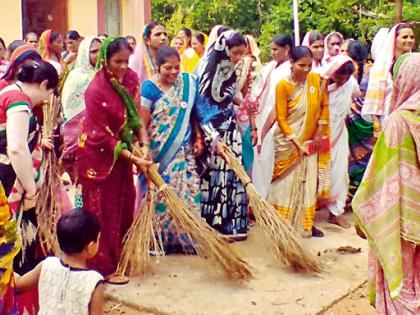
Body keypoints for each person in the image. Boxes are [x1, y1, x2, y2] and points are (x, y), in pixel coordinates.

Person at [76, 37, 150, 280]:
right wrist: (134, 158)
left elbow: (136, 114)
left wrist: (144, 144)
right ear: (105, 61)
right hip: (97, 158)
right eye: (117, 61)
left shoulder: (130, 78)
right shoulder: (95, 90)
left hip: (122, 154)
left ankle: (121, 257)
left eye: (126, 61)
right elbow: (102, 135)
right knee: (102, 211)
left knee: (124, 202)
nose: (122, 66)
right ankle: (102, 267)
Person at [352, 53, 420, 315]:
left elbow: (379, 176)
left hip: (400, 218)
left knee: (401, 279)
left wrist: (363, 215)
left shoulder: (397, 123)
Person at [140, 46, 203, 253]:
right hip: (160, 154)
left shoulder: (187, 84)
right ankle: (160, 240)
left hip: (183, 152)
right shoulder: (149, 88)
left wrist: (198, 136)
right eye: (168, 68)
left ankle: (186, 239)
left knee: (187, 191)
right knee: (160, 196)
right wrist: (145, 147)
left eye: (177, 67)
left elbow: (193, 114)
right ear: (158, 67)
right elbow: (142, 122)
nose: (174, 72)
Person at [266, 46, 330, 238]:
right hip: (287, 143)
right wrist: (295, 141)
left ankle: (305, 223)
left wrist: (320, 131)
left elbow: (324, 105)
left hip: (310, 141)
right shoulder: (283, 86)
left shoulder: (317, 81)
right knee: (284, 182)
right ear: (291, 63)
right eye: (301, 65)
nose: (306, 69)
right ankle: (281, 223)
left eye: (309, 65)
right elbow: (281, 117)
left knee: (308, 181)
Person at [196, 31, 248, 241]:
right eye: (235, 53)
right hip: (214, 133)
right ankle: (215, 223)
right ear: (225, 49)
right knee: (216, 176)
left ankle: (232, 224)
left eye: (241, 54)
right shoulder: (209, 70)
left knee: (232, 175)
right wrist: (211, 135)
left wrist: (241, 104)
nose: (237, 58)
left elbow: (227, 98)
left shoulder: (229, 71)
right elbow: (202, 105)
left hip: (230, 129)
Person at [14, 208, 104, 315]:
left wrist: (3, 261)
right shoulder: (94, 281)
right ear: (90, 247)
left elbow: (18, 284)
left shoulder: (46, 265)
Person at [250, 34, 292, 198]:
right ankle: (258, 198)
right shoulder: (271, 66)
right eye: (271, 49)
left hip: (276, 117)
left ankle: (266, 198)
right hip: (261, 114)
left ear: (286, 49)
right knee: (259, 158)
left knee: (268, 157)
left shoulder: (289, 69)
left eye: (275, 49)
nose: (272, 53)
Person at [320, 56, 359, 228]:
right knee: (315, 174)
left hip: (339, 136)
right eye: (339, 77)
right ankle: (307, 212)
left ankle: (335, 213)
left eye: (346, 78)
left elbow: (354, 99)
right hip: (317, 136)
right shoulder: (317, 80)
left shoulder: (351, 84)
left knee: (340, 174)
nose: (342, 81)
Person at [61, 37, 102, 181]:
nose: (98, 54)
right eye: (93, 51)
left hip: (104, 136)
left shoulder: (106, 75)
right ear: (85, 53)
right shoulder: (77, 77)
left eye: (100, 50)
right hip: (82, 136)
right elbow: (70, 110)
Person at [362, 23, 415, 127]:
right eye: (405, 37)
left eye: (412, 37)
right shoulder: (381, 67)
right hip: (387, 121)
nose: (409, 40)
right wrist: (376, 126)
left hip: (411, 121)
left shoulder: (415, 64)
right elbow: (374, 100)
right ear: (394, 39)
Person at [344, 40, 375, 204]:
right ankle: (360, 194)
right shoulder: (371, 69)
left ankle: (353, 193)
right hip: (366, 118)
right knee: (366, 157)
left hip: (353, 117)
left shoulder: (348, 69)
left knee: (352, 156)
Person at [234, 34, 262, 174]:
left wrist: (253, 127)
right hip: (233, 115)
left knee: (244, 151)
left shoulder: (245, 62)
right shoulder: (244, 62)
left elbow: (246, 96)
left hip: (241, 113)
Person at [129, 21, 168, 85]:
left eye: (165, 34)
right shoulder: (139, 63)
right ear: (147, 40)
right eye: (158, 34)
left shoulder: (170, 60)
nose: (163, 38)